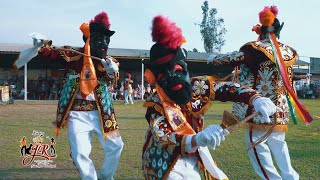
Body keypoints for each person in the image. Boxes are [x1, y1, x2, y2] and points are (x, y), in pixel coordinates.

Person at [142, 15, 277, 180]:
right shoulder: (155, 104)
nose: (173, 78)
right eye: (164, 74)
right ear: (154, 77)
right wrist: (198, 138)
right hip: (163, 160)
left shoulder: (198, 86)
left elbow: (227, 88)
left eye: (177, 70)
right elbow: (164, 137)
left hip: (195, 153)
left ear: (185, 68)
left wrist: (255, 98)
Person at [208, 6, 313, 180]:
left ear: (262, 30)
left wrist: (213, 59)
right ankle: (291, 178)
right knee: (280, 146)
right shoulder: (289, 51)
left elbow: (231, 58)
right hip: (280, 110)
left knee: (256, 147)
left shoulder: (254, 49)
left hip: (258, 110)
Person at [39, 12, 123, 180]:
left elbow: (113, 77)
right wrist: (41, 44)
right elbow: (50, 53)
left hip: (102, 114)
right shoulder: (73, 55)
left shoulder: (108, 62)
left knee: (116, 145)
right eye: (100, 39)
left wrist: (111, 70)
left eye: (107, 40)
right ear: (88, 40)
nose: (104, 43)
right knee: (80, 152)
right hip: (76, 114)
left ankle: (106, 176)